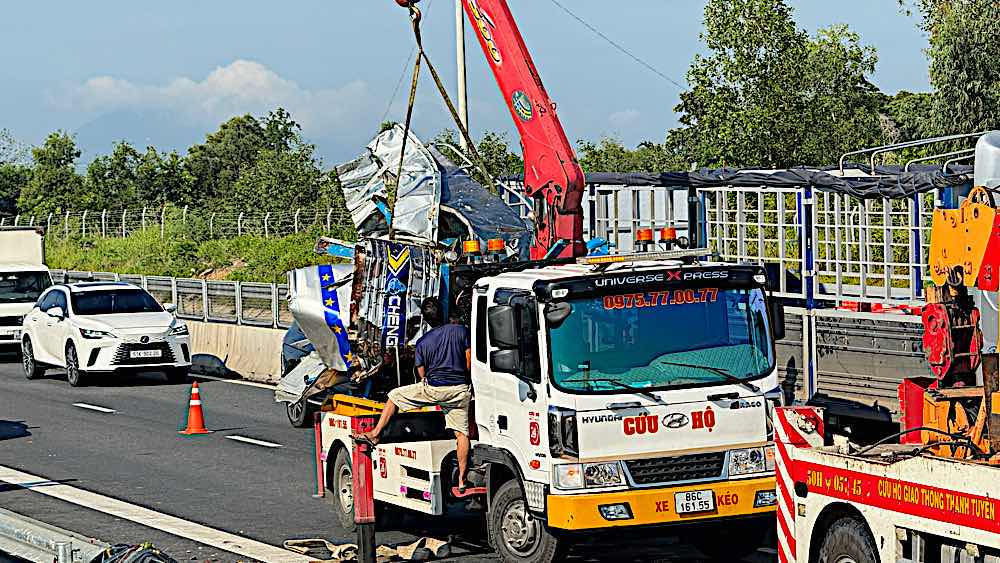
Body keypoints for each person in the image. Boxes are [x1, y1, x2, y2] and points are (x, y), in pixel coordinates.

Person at [352, 297, 474, 491]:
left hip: (434, 390)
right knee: (461, 434)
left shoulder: (424, 342)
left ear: (425, 320)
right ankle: (461, 479)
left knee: (393, 396)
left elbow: (421, 372)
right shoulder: (460, 330)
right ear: (443, 313)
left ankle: (375, 434)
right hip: (460, 390)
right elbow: (469, 359)